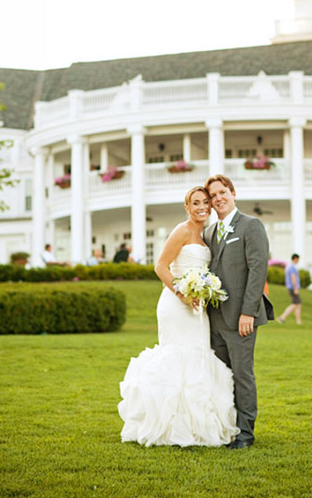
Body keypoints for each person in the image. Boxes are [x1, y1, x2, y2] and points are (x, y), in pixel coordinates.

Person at [118, 186, 239, 447]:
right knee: (176, 358)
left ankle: (197, 426)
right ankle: (170, 427)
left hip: (198, 308)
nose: (202, 207)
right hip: (176, 305)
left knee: (198, 357)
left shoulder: (206, 234)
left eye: (205, 202)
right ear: (187, 207)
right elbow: (160, 266)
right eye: (196, 203)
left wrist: (204, 291)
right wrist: (182, 293)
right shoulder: (182, 230)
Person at [203, 174, 273, 450]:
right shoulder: (208, 232)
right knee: (222, 375)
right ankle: (227, 427)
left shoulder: (250, 226)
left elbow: (258, 270)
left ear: (233, 193)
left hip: (241, 317)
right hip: (214, 318)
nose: (218, 199)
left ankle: (245, 433)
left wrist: (248, 313)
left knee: (242, 374)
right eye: (213, 196)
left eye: (223, 192)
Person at [277, 254, 302, 325]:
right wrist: (296, 288)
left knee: (298, 304)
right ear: (295, 259)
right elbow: (293, 278)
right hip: (293, 288)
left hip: (290, 287)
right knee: (295, 304)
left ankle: (298, 321)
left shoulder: (288, 267)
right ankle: (282, 317)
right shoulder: (292, 267)